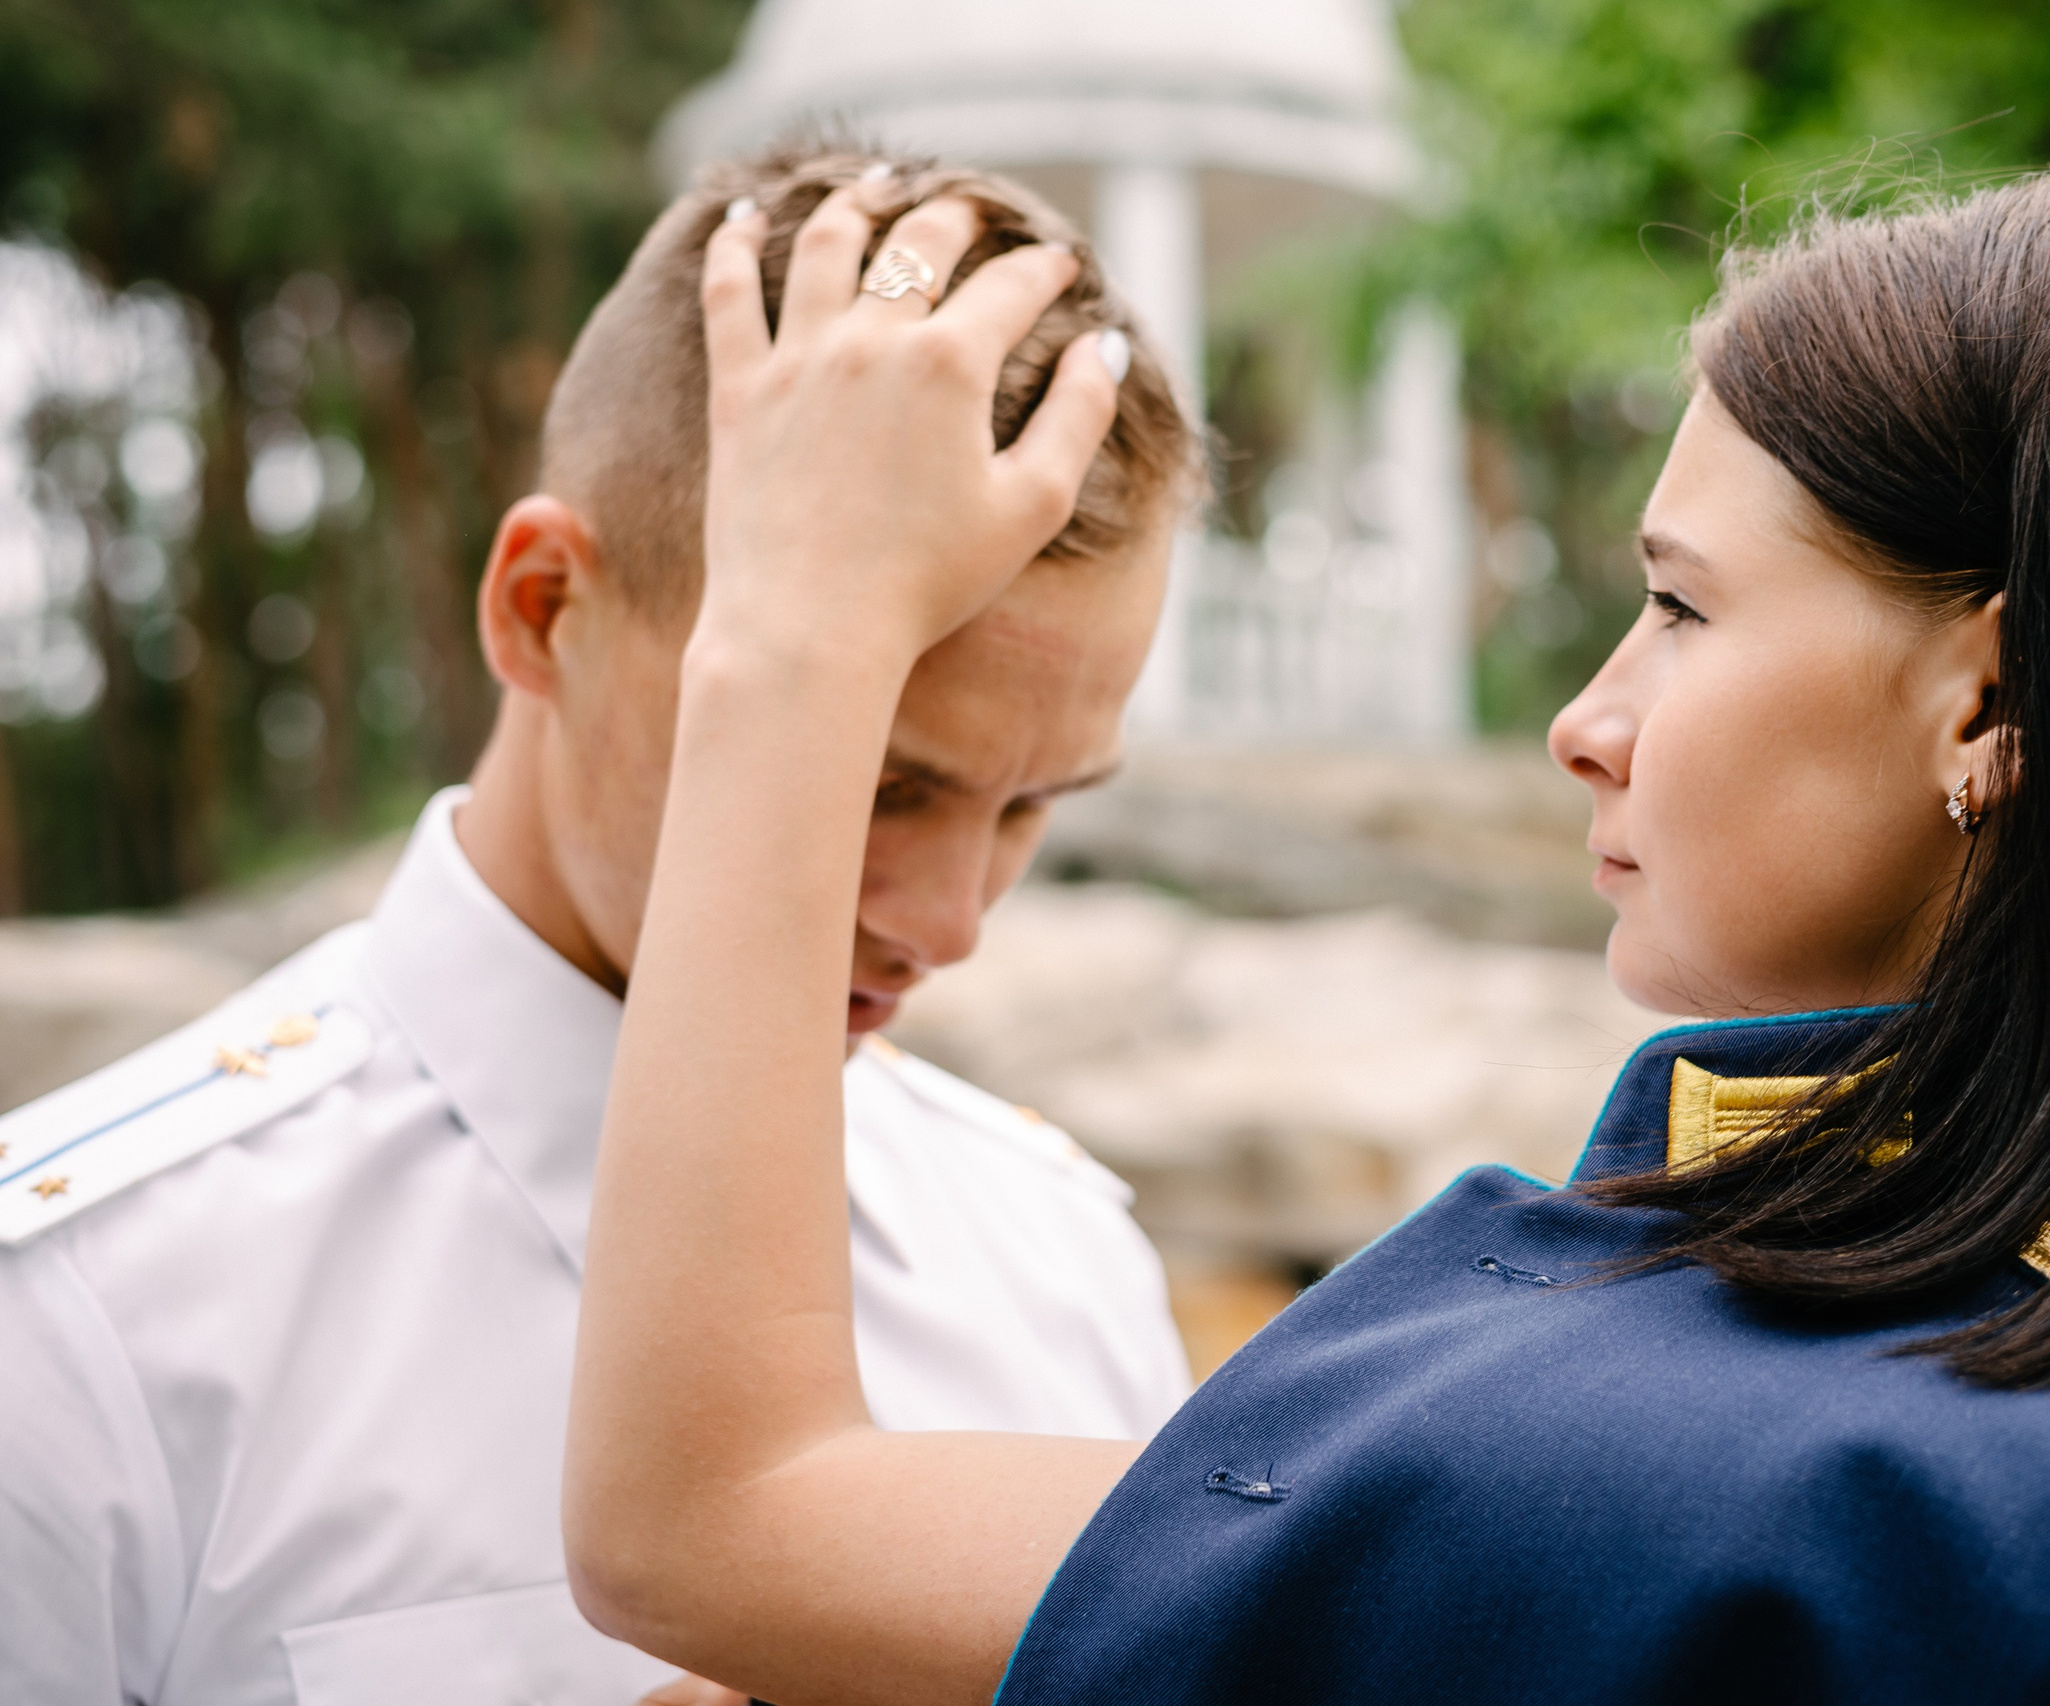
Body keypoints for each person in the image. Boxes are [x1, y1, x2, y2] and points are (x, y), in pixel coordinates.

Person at [562, 170, 2050, 1706]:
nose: (1581, 720)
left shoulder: (1624, 1455)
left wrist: (797, 626)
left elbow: (708, 1513)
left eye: (1680, 609)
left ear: (1986, 707)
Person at [0, 148, 1195, 1706]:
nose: (951, 920)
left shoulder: (1062, 1258)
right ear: (545, 604)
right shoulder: (86, 1319)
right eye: (885, 777)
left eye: (1035, 806)